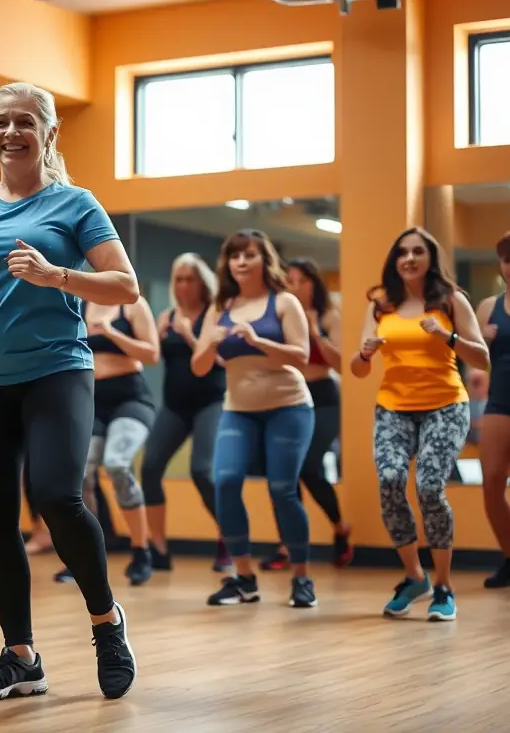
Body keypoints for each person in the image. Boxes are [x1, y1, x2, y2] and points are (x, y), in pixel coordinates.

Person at [0, 81, 137, 702]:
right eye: (1, 122)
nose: (11, 132)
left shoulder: (75, 203)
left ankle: (107, 623)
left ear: (48, 133)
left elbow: (125, 285)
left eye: (24, 122)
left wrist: (55, 274)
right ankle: (21, 657)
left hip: (56, 372)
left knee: (56, 497)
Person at [350, 226, 488, 621]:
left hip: (445, 406)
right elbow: (358, 369)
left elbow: (482, 358)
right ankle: (414, 577)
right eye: (402, 252)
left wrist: (447, 335)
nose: (409, 258)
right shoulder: (381, 306)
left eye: (417, 251)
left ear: (431, 259)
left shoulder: (451, 300)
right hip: (393, 407)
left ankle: (443, 585)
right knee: (390, 480)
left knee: (429, 486)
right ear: (394, 260)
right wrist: (365, 353)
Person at [191, 229, 317, 608]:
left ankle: (301, 577)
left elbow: (301, 357)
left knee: (282, 489)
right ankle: (244, 578)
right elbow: (199, 367)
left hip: (289, 406)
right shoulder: (220, 307)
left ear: (265, 260)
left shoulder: (284, 302)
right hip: (239, 410)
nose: (241, 262)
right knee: (225, 482)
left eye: (249, 255)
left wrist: (257, 340)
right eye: (235, 256)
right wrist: (212, 343)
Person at [52, 295, 159, 586]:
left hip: (131, 398)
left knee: (117, 464)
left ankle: (141, 551)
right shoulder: (80, 304)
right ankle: (84, 556)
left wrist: (112, 333)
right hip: (92, 398)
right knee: (81, 474)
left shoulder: (132, 305)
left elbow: (152, 354)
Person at [139, 253, 230, 574]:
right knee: (150, 467)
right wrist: (159, 336)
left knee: (202, 471)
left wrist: (190, 335)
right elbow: (151, 357)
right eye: (178, 279)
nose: (183, 285)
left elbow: (223, 361)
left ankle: (229, 539)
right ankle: (159, 548)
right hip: (175, 406)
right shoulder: (167, 316)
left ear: (202, 283)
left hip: (211, 402)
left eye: (189, 279)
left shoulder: (215, 315)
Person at [261, 258, 352, 570]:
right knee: (282, 471)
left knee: (310, 467)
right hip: (288, 395)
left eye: (301, 280)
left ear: (314, 283)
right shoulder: (281, 313)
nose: (295, 286)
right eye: (290, 280)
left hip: (323, 396)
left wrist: (315, 333)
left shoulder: (329, 316)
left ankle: (340, 527)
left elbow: (341, 364)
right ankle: (288, 544)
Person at [475, 230, 510, 589]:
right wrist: (482, 341)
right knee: (492, 480)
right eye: (506, 260)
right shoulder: (488, 307)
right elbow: (474, 357)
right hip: (501, 400)